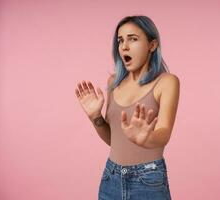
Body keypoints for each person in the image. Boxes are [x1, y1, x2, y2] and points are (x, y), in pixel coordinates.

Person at [75, 15, 179, 200]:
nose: (124, 46)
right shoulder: (114, 82)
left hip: (148, 181)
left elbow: (164, 133)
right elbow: (113, 140)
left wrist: (146, 138)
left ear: (152, 45)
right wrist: (95, 117)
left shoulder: (166, 82)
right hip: (111, 177)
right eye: (120, 40)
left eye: (133, 39)